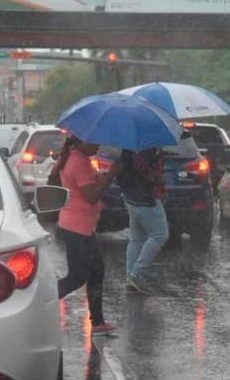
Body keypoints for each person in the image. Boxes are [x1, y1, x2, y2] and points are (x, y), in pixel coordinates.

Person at [52, 136, 120, 336]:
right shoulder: (78, 161)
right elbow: (91, 196)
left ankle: (97, 322)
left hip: (81, 226)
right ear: (82, 142)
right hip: (77, 227)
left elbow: (88, 184)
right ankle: (41, 302)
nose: (98, 146)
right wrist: (110, 177)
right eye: (95, 142)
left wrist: (102, 176)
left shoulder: (76, 158)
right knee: (77, 277)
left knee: (96, 271)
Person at [117, 147, 168, 294]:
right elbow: (142, 168)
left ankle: (131, 275)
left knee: (137, 238)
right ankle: (137, 274)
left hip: (130, 194)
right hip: (145, 196)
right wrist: (158, 178)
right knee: (160, 235)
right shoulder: (147, 147)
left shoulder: (129, 147)